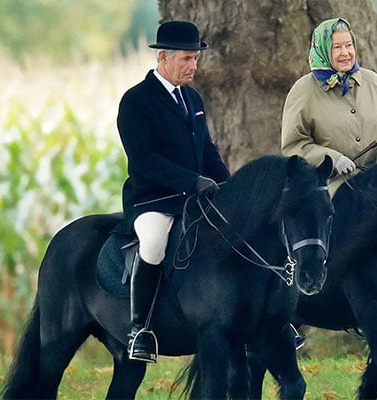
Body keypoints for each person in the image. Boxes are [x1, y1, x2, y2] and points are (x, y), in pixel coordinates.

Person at [280, 17, 377, 332]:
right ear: (323, 49)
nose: (345, 52)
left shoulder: (374, 83)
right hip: (329, 182)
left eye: (348, 45)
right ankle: (319, 299)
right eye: (337, 47)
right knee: (338, 219)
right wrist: (332, 157)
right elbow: (293, 145)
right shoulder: (304, 91)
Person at [116, 20, 230, 362]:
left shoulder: (192, 98)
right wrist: (191, 181)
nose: (193, 66)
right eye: (186, 59)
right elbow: (144, 160)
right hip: (153, 200)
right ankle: (141, 330)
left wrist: (229, 186)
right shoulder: (136, 101)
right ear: (163, 57)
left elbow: (207, 152)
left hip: (195, 199)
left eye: (196, 59)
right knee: (153, 242)